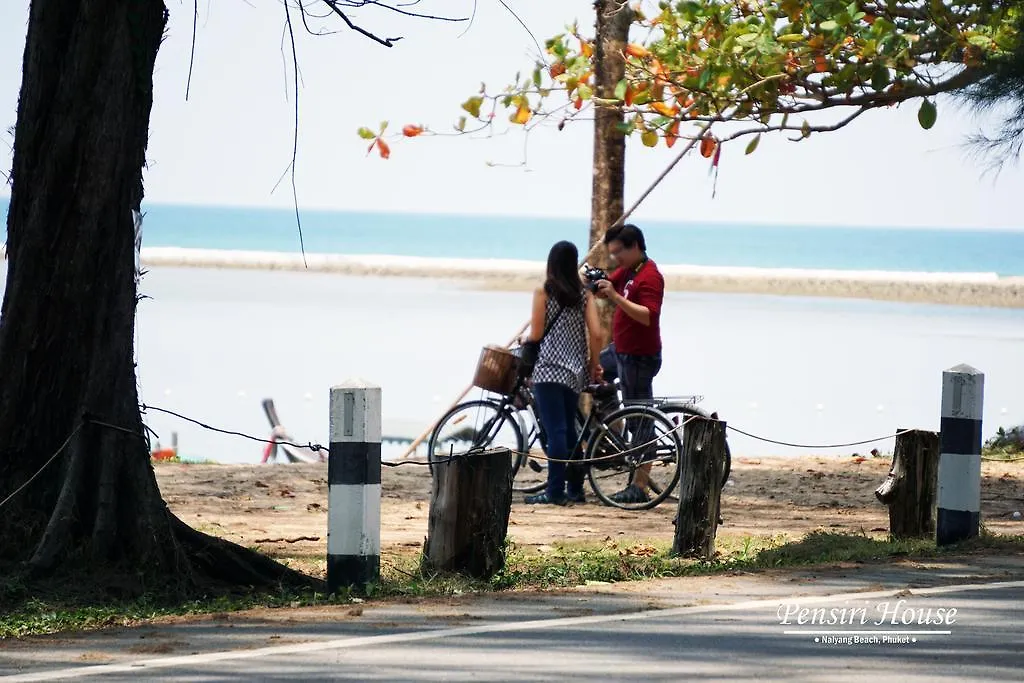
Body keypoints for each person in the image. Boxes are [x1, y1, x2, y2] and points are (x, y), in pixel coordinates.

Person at [524, 240, 604, 506]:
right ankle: (576, 489)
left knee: (556, 430)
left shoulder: (544, 291)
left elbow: (536, 335)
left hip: (548, 370)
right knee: (569, 431)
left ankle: (555, 492)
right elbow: (597, 332)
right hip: (573, 372)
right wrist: (593, 364)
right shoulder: (584, 294)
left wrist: (525, 342)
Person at [593, 224, 665, 504]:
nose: (615, 260)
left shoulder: (650, 276)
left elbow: (648, 316)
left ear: (635, 246)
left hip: (639, 357)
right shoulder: (629, 271)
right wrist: (598, 286)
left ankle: (639, 486)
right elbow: (609, 285)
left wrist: (614, 296)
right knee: (591, 372)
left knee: (641, 419)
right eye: (611, 254)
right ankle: (614, 428)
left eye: (618, 253)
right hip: (619, 352)